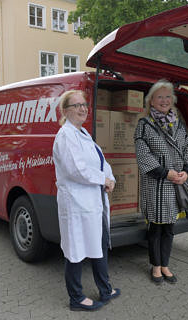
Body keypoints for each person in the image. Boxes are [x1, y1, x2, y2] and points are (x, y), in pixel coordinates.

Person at [53, 90, 120, 311]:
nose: (83, 109)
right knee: (76, 250)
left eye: (84, 104)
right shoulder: (65, 135)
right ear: (65, 111)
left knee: (99, 245)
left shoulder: (82, 134)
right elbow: (76, 170)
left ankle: (105, 289)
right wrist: (103, 180)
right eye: (76, 105)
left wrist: (109, 178)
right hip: (77, 204)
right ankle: (76, 298)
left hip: (93, 201)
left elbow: (99, 162)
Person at [134, 79, 188, 284]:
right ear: (151, 101)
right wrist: (165, 173)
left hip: (177, 183)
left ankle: (166, 264)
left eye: (168, 97)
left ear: (173, 100)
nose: (164, 100)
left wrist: (186, 171)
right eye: (159, 97)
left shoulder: (178, 123)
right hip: (157, 184)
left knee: (169, 227)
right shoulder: (144, 125)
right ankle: (156, 266)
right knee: (156, 227)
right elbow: (143, 155)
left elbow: (187, 148)